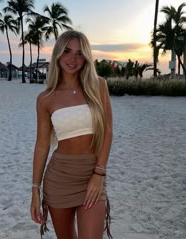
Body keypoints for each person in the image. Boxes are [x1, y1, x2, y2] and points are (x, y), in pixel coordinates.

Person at [30, 30, 113, 239]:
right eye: (67, 51)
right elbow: (42, 145)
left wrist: (99, 174)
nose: (72, 59)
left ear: (86, 57)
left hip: (92, 173)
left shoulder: (98, 85)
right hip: (59, 179)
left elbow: (108, 130)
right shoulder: (45, 99)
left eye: (79, 53)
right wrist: (35, 188)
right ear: (57, 53)